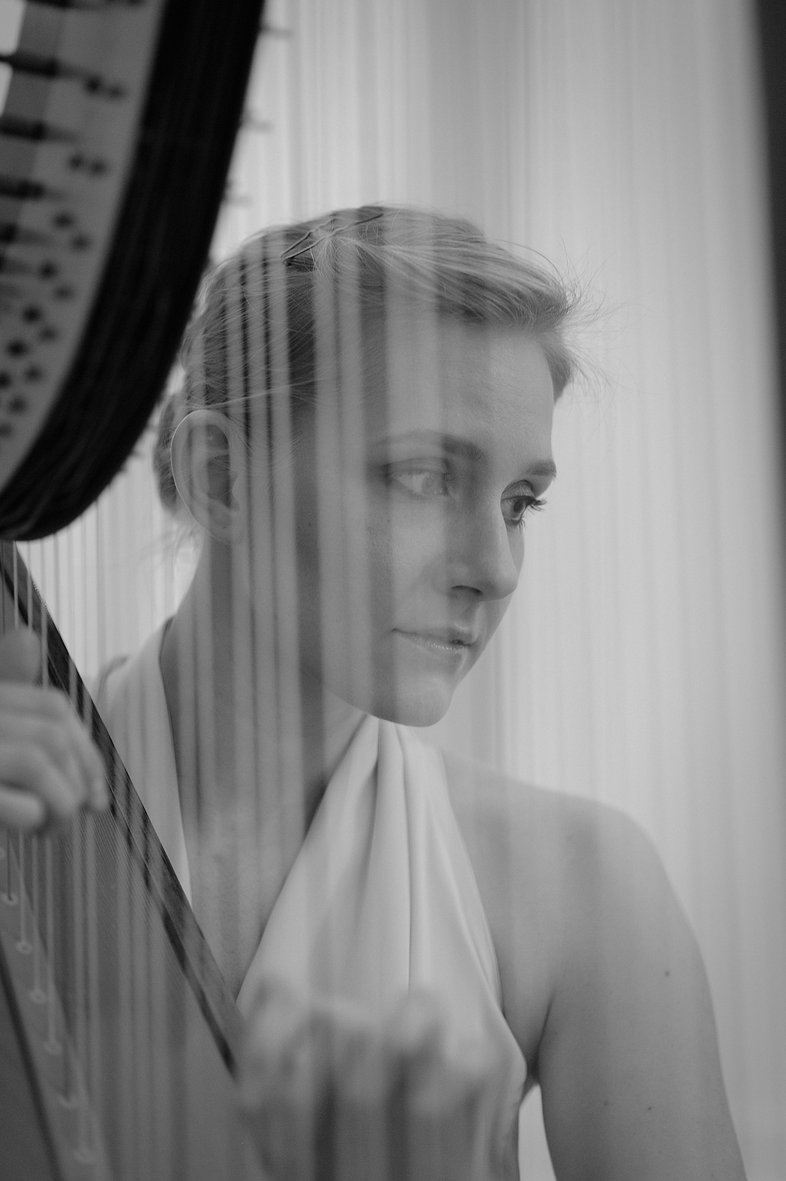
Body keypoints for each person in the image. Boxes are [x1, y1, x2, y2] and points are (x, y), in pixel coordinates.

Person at [0, 206, 746, 1180]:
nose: (494, 567)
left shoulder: (588, 886)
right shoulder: (17, 821)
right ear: (221, 477)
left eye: (520, 502)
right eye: (427, 477)